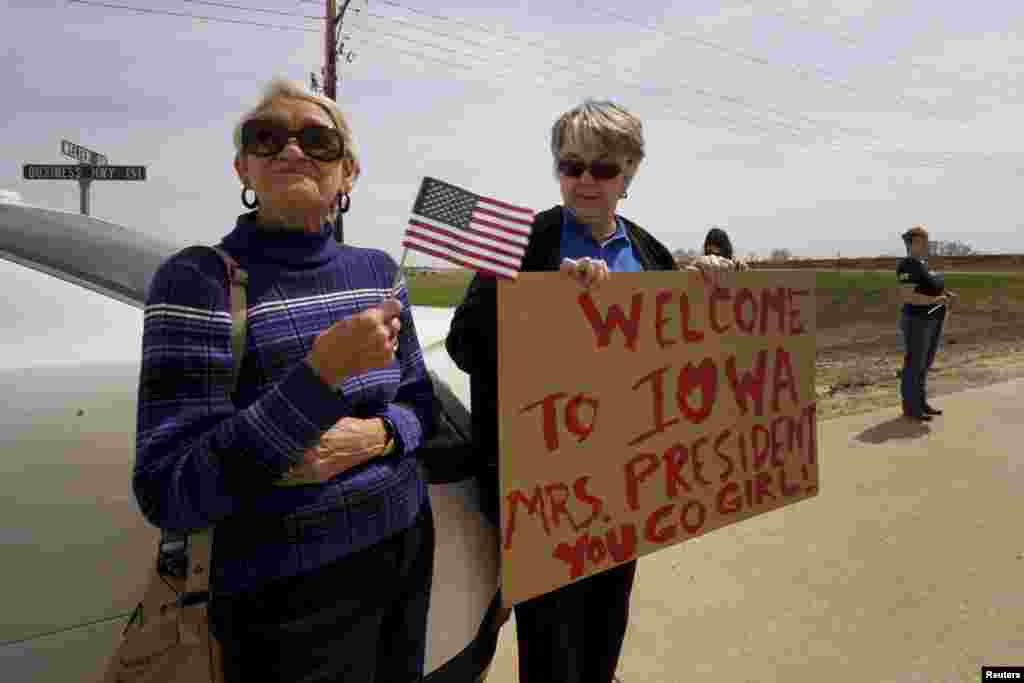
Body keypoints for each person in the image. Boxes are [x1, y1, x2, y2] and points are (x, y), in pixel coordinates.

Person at [133, 78, 436, 682]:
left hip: (405, 547)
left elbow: (419, 404)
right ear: (242, 167)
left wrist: (374, 437)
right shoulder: (196, 281)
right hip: (285, 595)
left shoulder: (377, 271)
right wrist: (317, 380)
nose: (291, 152)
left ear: (348, 173)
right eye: (267, 138)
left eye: (317, 140)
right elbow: (172, 488)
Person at [446, 99, 677, 683]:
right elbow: (463, 346)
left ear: (630, 173)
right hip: (543, 485)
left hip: (625, 476)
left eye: (602, 169)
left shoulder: (650, 253)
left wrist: (714, 285)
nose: (584, 181)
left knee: (606, 624)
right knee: (551, 645)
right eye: (570, 166)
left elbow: (678, 360)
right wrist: (539, 297)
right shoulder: (523, 239)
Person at [896, 225, 958, 421]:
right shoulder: (908, 265)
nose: (927, 244)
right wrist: (936, 301)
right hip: (917, 320)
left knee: (924, 364)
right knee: (915, 364)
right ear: (913, 242)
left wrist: (945, 296)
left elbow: (929, 289)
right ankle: (911, 408)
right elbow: (909, 296)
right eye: (924, 240)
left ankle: (921, 403)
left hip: (932, 318)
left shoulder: (921, 264)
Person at [684, 226, 750, 273]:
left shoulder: (735, 264)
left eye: (717, 254)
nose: (713, 257)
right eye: (710, 253)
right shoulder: (700, 263)